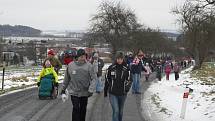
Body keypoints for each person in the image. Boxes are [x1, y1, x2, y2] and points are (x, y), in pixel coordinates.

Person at [61, 49, 97, 121]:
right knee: (76, 108)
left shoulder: (89, 66)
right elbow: (67, 78)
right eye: (81, 56)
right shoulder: (71, 65)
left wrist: (91, 89)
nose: (82, 58)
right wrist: (63, 89)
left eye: (84, 56)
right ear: (77, 57)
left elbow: (94, 78)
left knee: (83, 109)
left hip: (85, 92)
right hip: (74, 91)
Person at [104, 52, 132, 121]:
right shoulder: (111, 68)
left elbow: (130, 79)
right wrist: (106, 90)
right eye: (118, 59)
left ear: (123, 59)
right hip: (113, 93)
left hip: (122, 94)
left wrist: (126, 89)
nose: (119, 60)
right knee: (116, 110)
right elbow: (107, 79)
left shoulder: (126, 68)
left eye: (121, 59)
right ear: (116, 59)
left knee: (120, 112)